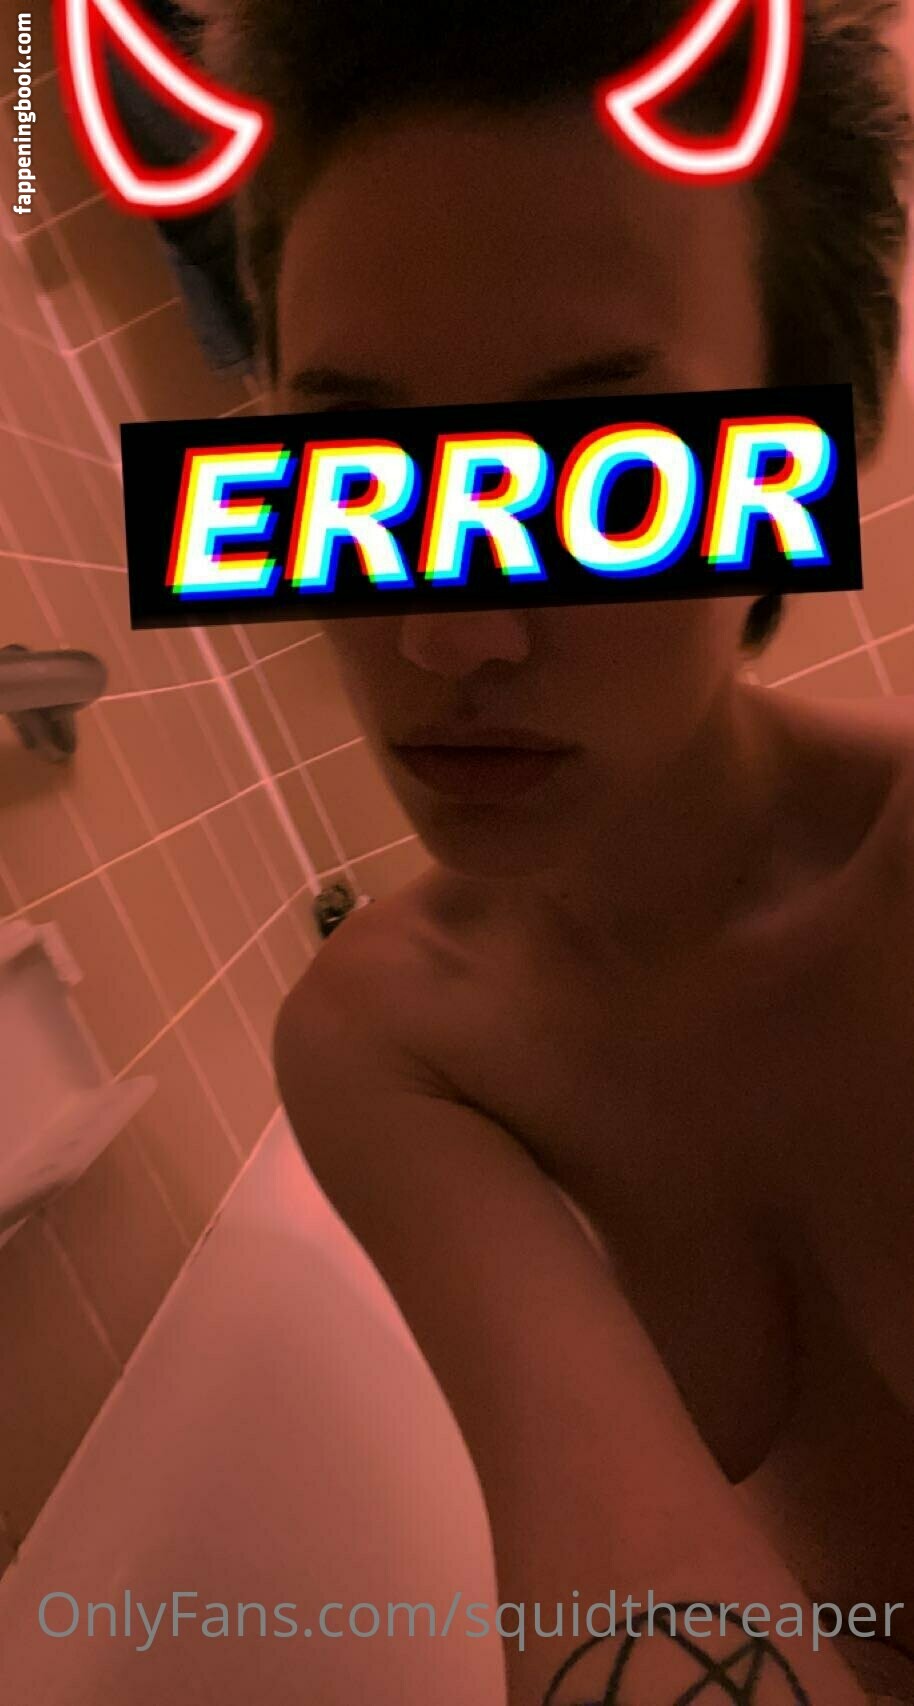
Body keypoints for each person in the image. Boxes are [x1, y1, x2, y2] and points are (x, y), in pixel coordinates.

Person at [199, 0, 914, 1698]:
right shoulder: (391, 1035)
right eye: (351, 465)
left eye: (604, 475)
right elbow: (620, 1557)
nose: (447, 632)